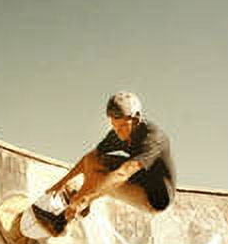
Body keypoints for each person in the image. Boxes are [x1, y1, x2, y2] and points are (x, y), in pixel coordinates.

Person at [31, 92, 176, 236]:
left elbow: (123, 173)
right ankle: (81, 206)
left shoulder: (154, 139)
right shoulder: (117, 134)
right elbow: (89, 158)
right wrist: (59, 184)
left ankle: (60, 223)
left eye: (122, 127)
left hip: (155, 199)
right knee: (93, 161)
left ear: (136, 119)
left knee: (103, 179)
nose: (119, 132)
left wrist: (85, 199)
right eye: (114, 126)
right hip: (140, 178)